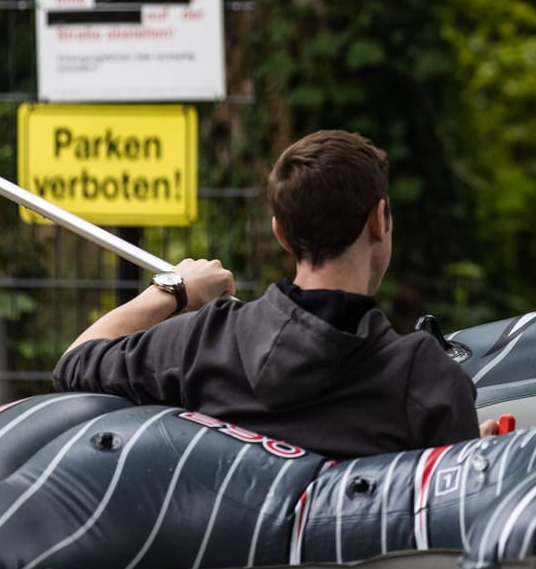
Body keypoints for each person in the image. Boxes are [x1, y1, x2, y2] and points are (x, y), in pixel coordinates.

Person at [54, 129, 490, 459]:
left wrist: (175, 290)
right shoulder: (427, 382)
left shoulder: (201, 343)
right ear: (379, 220)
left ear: (280, 233)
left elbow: (75, 362)